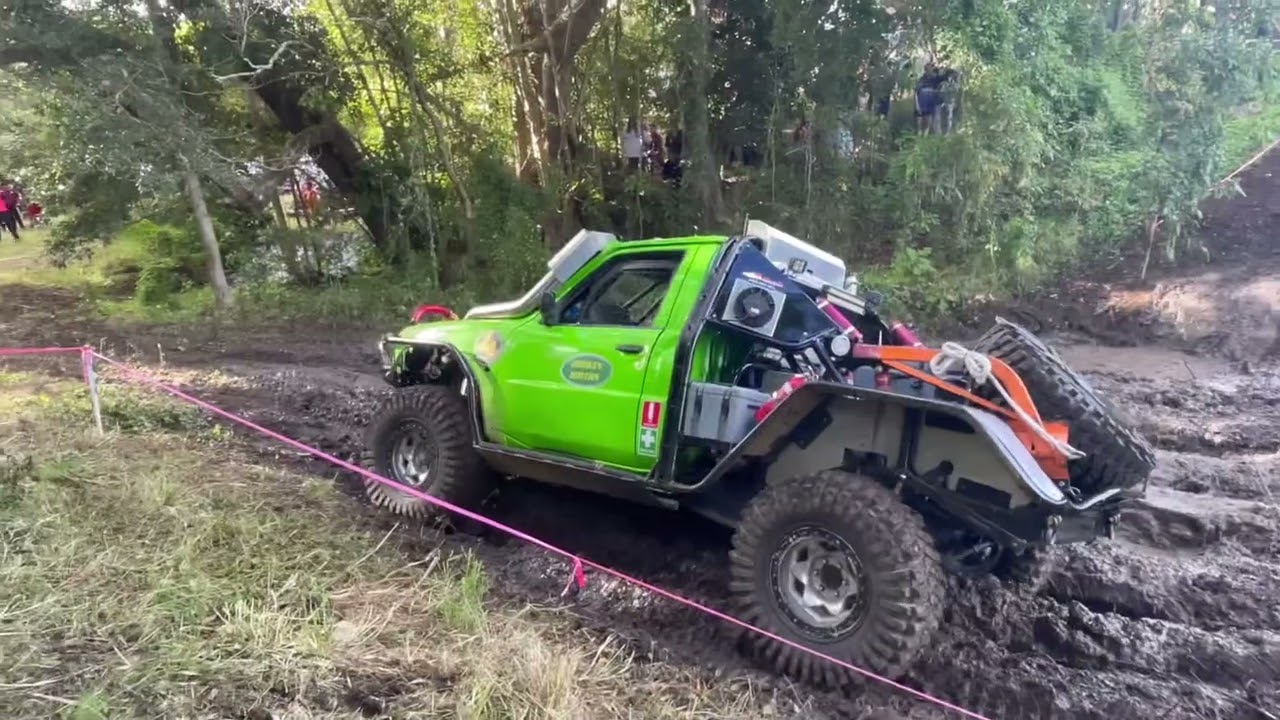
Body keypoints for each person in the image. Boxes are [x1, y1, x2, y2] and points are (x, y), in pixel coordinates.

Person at [915, 62, 943, 134]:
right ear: (925, 70)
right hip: (924, 101)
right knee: (923, 117)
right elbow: (917, 90)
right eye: (927, 69)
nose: (929, 70)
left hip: (935, 101)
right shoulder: (922, 79)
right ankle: (921, 133)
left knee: (935, 119)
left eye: (930, 68)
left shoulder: (938, 78)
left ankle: (934, 135)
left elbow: (942, 86)